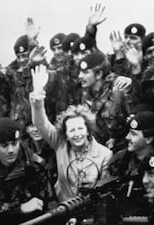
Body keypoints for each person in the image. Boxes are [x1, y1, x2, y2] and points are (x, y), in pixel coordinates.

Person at [30, 64, 113, 202]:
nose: (77, 134)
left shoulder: (105, 155)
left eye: (80, 128)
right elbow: (40, 123)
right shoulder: (60, 143)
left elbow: (105, 192)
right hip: (62, 209)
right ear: (66, 135)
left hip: (91, 212)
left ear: (87, 130)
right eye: (72, 130)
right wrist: (38, 97)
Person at [0, 117, 54, 225]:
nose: (11, 150)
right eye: (4, 145)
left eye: (14, 143)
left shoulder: (35, 165)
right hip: (3, 220)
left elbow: (51, 201)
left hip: (33, 219)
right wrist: (19, 208)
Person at [108, 111, 154, 222]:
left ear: (149, 139)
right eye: (129, 132)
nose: (127, 137)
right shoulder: (119, 161)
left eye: (134, 134)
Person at [78, 51, 137, 150]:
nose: (80, 76)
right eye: (80, 72)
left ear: (98, 74)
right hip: (99, 149)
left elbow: (134, 122)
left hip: (124, 148)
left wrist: (115, 139)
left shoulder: (119, 88)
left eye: (85, 72)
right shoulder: (86, 95)